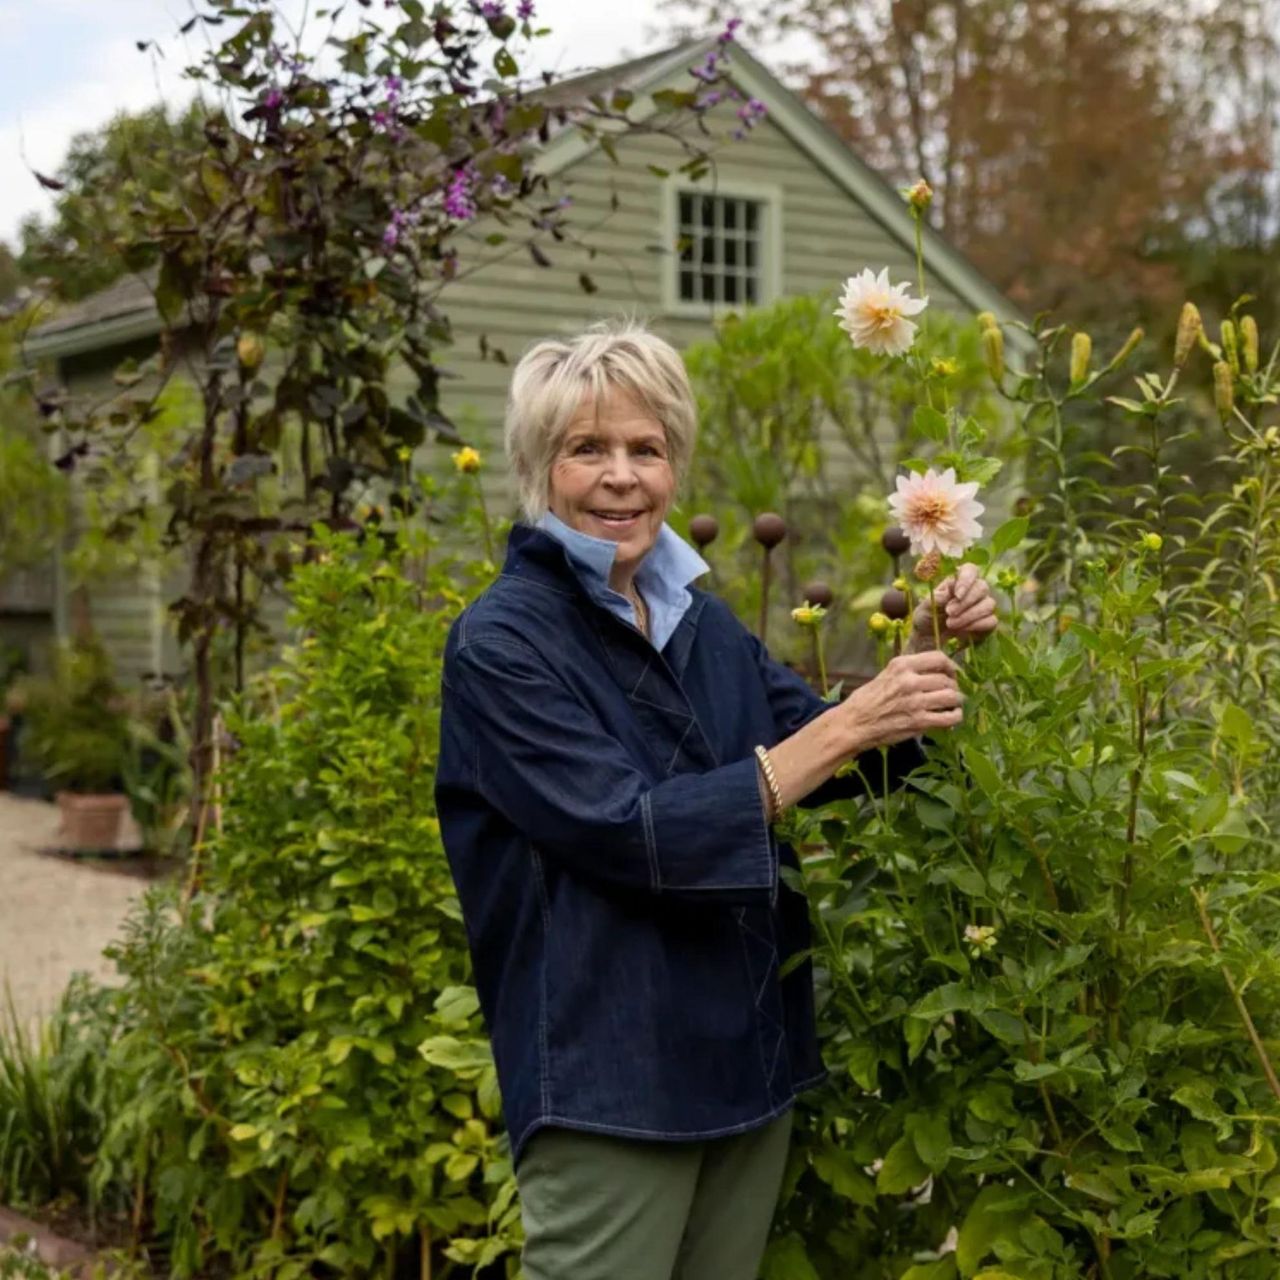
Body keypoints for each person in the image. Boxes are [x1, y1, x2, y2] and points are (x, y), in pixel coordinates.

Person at [434, 322, 997, 1280]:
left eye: (646, 449)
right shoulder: (502, 645)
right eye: (588, 449)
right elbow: (631, 830)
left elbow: (847, 760)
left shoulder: (697, 617)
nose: (622, 476)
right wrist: (848, 725)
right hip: (608, 1074)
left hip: (743, 1054)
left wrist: (927, 660)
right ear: (538, 469)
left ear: (674, 466)